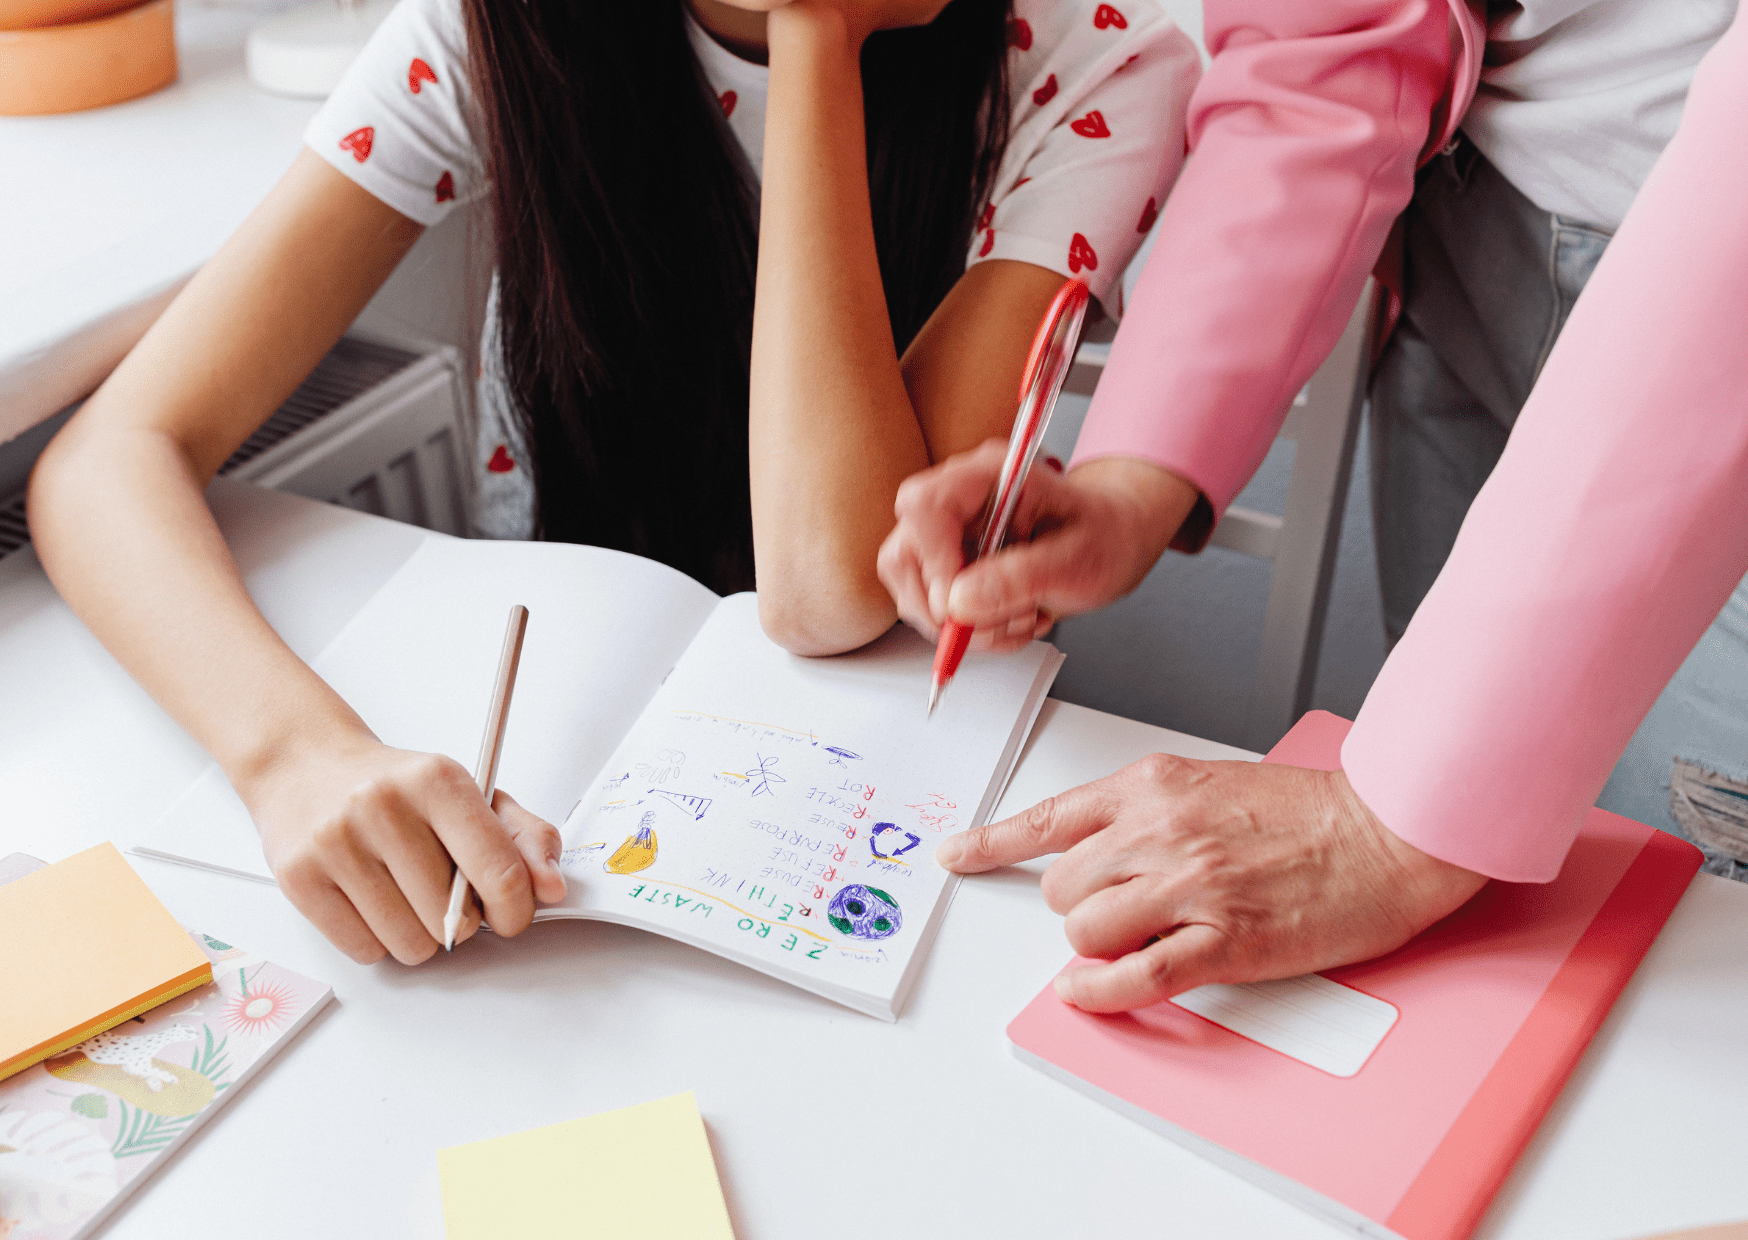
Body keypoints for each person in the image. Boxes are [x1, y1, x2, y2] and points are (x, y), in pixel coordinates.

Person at [27, 0, 1199, 965]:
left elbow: (828, 585)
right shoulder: (497, 29)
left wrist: (815, 34)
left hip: (878, 781)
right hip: (555, 756)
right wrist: (293, 755)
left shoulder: (1099, 60)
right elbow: (109, 457)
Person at [879, 0, 1748, 1012]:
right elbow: (1328, 38)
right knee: (1487, 953)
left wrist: (1385, 827)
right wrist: (1131, 477)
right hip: (1468, 233)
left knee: (1691, 972)